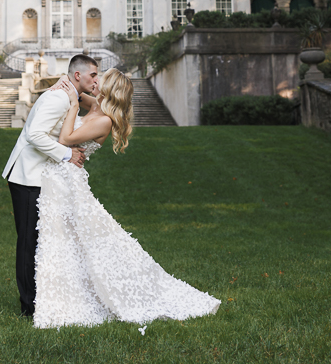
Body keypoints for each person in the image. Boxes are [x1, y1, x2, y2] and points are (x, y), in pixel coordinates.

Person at [33, 67, 221, 329]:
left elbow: (65, 138)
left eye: (101, 80)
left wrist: (73, 107)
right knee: (66, 239)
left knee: (78, 239)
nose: (95, 81)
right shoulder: (96, 105)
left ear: (109, 90)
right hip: (58, 177)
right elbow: (74, 92)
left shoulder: (104, 120)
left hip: (68, 180)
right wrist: (65, 85)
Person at [2, 54, 99, 316]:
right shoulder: (58, 97)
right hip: (26, 176)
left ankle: (37, 298)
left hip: (39, 176)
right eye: (93, 75)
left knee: (37, 240)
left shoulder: (69, 95)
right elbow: (34, 134)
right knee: (28, 242)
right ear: (77, 75)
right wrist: (68, 155)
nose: (96, 80)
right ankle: (28, 307)